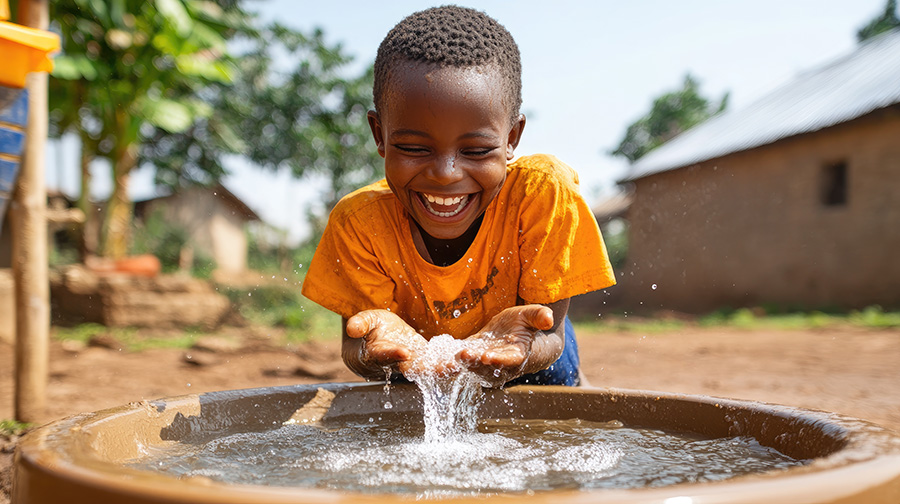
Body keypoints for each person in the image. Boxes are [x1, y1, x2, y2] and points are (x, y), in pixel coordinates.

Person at [301, 5, 615, 387]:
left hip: (524, 354)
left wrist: (526, 347)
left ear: (512, 138)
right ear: (379, 134)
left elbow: (550, 335)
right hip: (417, 362)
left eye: (477, 151)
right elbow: (353, 348)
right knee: (399, 388)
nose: (446, 174)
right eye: (415, 148)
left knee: (558, 369)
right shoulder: (360, 224)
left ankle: (582, 388)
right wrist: (371, 351)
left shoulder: (542, 193)